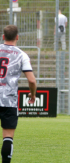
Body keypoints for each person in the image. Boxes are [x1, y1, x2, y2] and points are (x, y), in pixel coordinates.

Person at [0, 25, 37, 163]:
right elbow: (32, 81)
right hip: (8, 101)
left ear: (3, 36)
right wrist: (32, 95)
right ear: (17, 37)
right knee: (8, 137)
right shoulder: (21, 55)